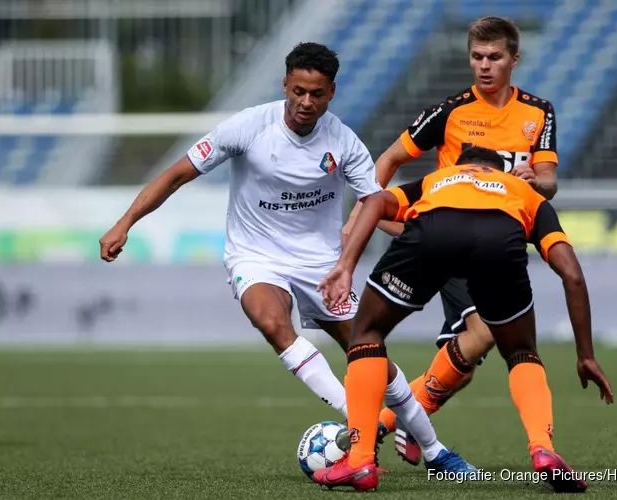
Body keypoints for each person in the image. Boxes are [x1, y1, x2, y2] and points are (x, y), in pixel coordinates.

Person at [98, 42, 474, 475]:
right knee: (273, 322)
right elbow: (176, 173)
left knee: (371, 353)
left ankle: (436, 452)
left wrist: (374, 256)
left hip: (321, 265)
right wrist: (125, 221)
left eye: (316, 94)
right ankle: (358, 425)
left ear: (331, 92)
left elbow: (375, 204)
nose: (305, 103)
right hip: (255, 256)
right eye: (298, 91)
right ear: (285, 85)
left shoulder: (345, 143)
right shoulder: (248, 126)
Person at [313, 146, 613, 493]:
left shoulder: (439, 179)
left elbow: (377, 202)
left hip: (435, 232)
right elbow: (572, 275)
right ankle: (542, 448)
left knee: (366, 334)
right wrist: (586, 355)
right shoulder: (525, 193)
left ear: (462, 167)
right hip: (499, 242)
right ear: (500, 171)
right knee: (521, 352)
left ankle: (360, 460)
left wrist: (346, 266)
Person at [343, 15, 561, 464]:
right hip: (447, 236)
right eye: (477, 57)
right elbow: (389, 158)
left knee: (465, 356)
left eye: (494, 57)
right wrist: (364, 214)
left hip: (497, 241)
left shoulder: (539, 112)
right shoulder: (452, 110)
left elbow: (550, 180)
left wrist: (533, 182)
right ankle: (396, 420)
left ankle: (396, 419)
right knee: (483, 337)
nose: (484, 66)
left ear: (513, 59)